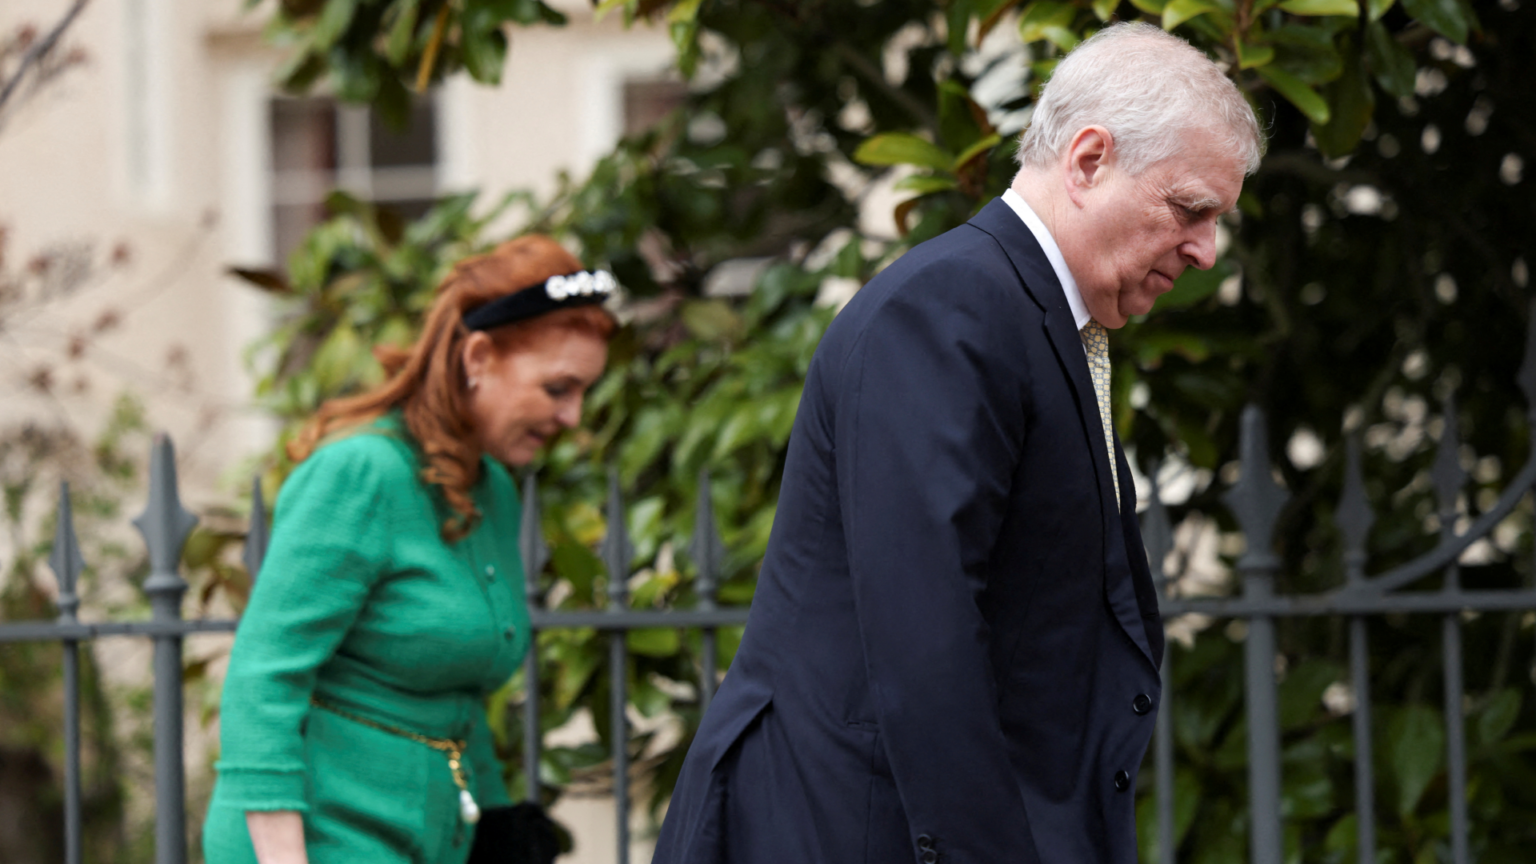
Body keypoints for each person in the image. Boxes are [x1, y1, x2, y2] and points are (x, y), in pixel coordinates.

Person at [652, 22, 1262, 864]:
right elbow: (925, 637)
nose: (1206, 249)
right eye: (1190, 209)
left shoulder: (1015, 308)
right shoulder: (947, 309)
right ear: (1088, 161)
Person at [203, 235, 617, 864]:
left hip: (429, 841)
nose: (572, 416)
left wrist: (499, 830)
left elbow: (458, 696)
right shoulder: (361, 473)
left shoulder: (493, 491)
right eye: (558, 388)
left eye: (583, 391)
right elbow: (262, 679)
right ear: (478, 356)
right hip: (317, 841)